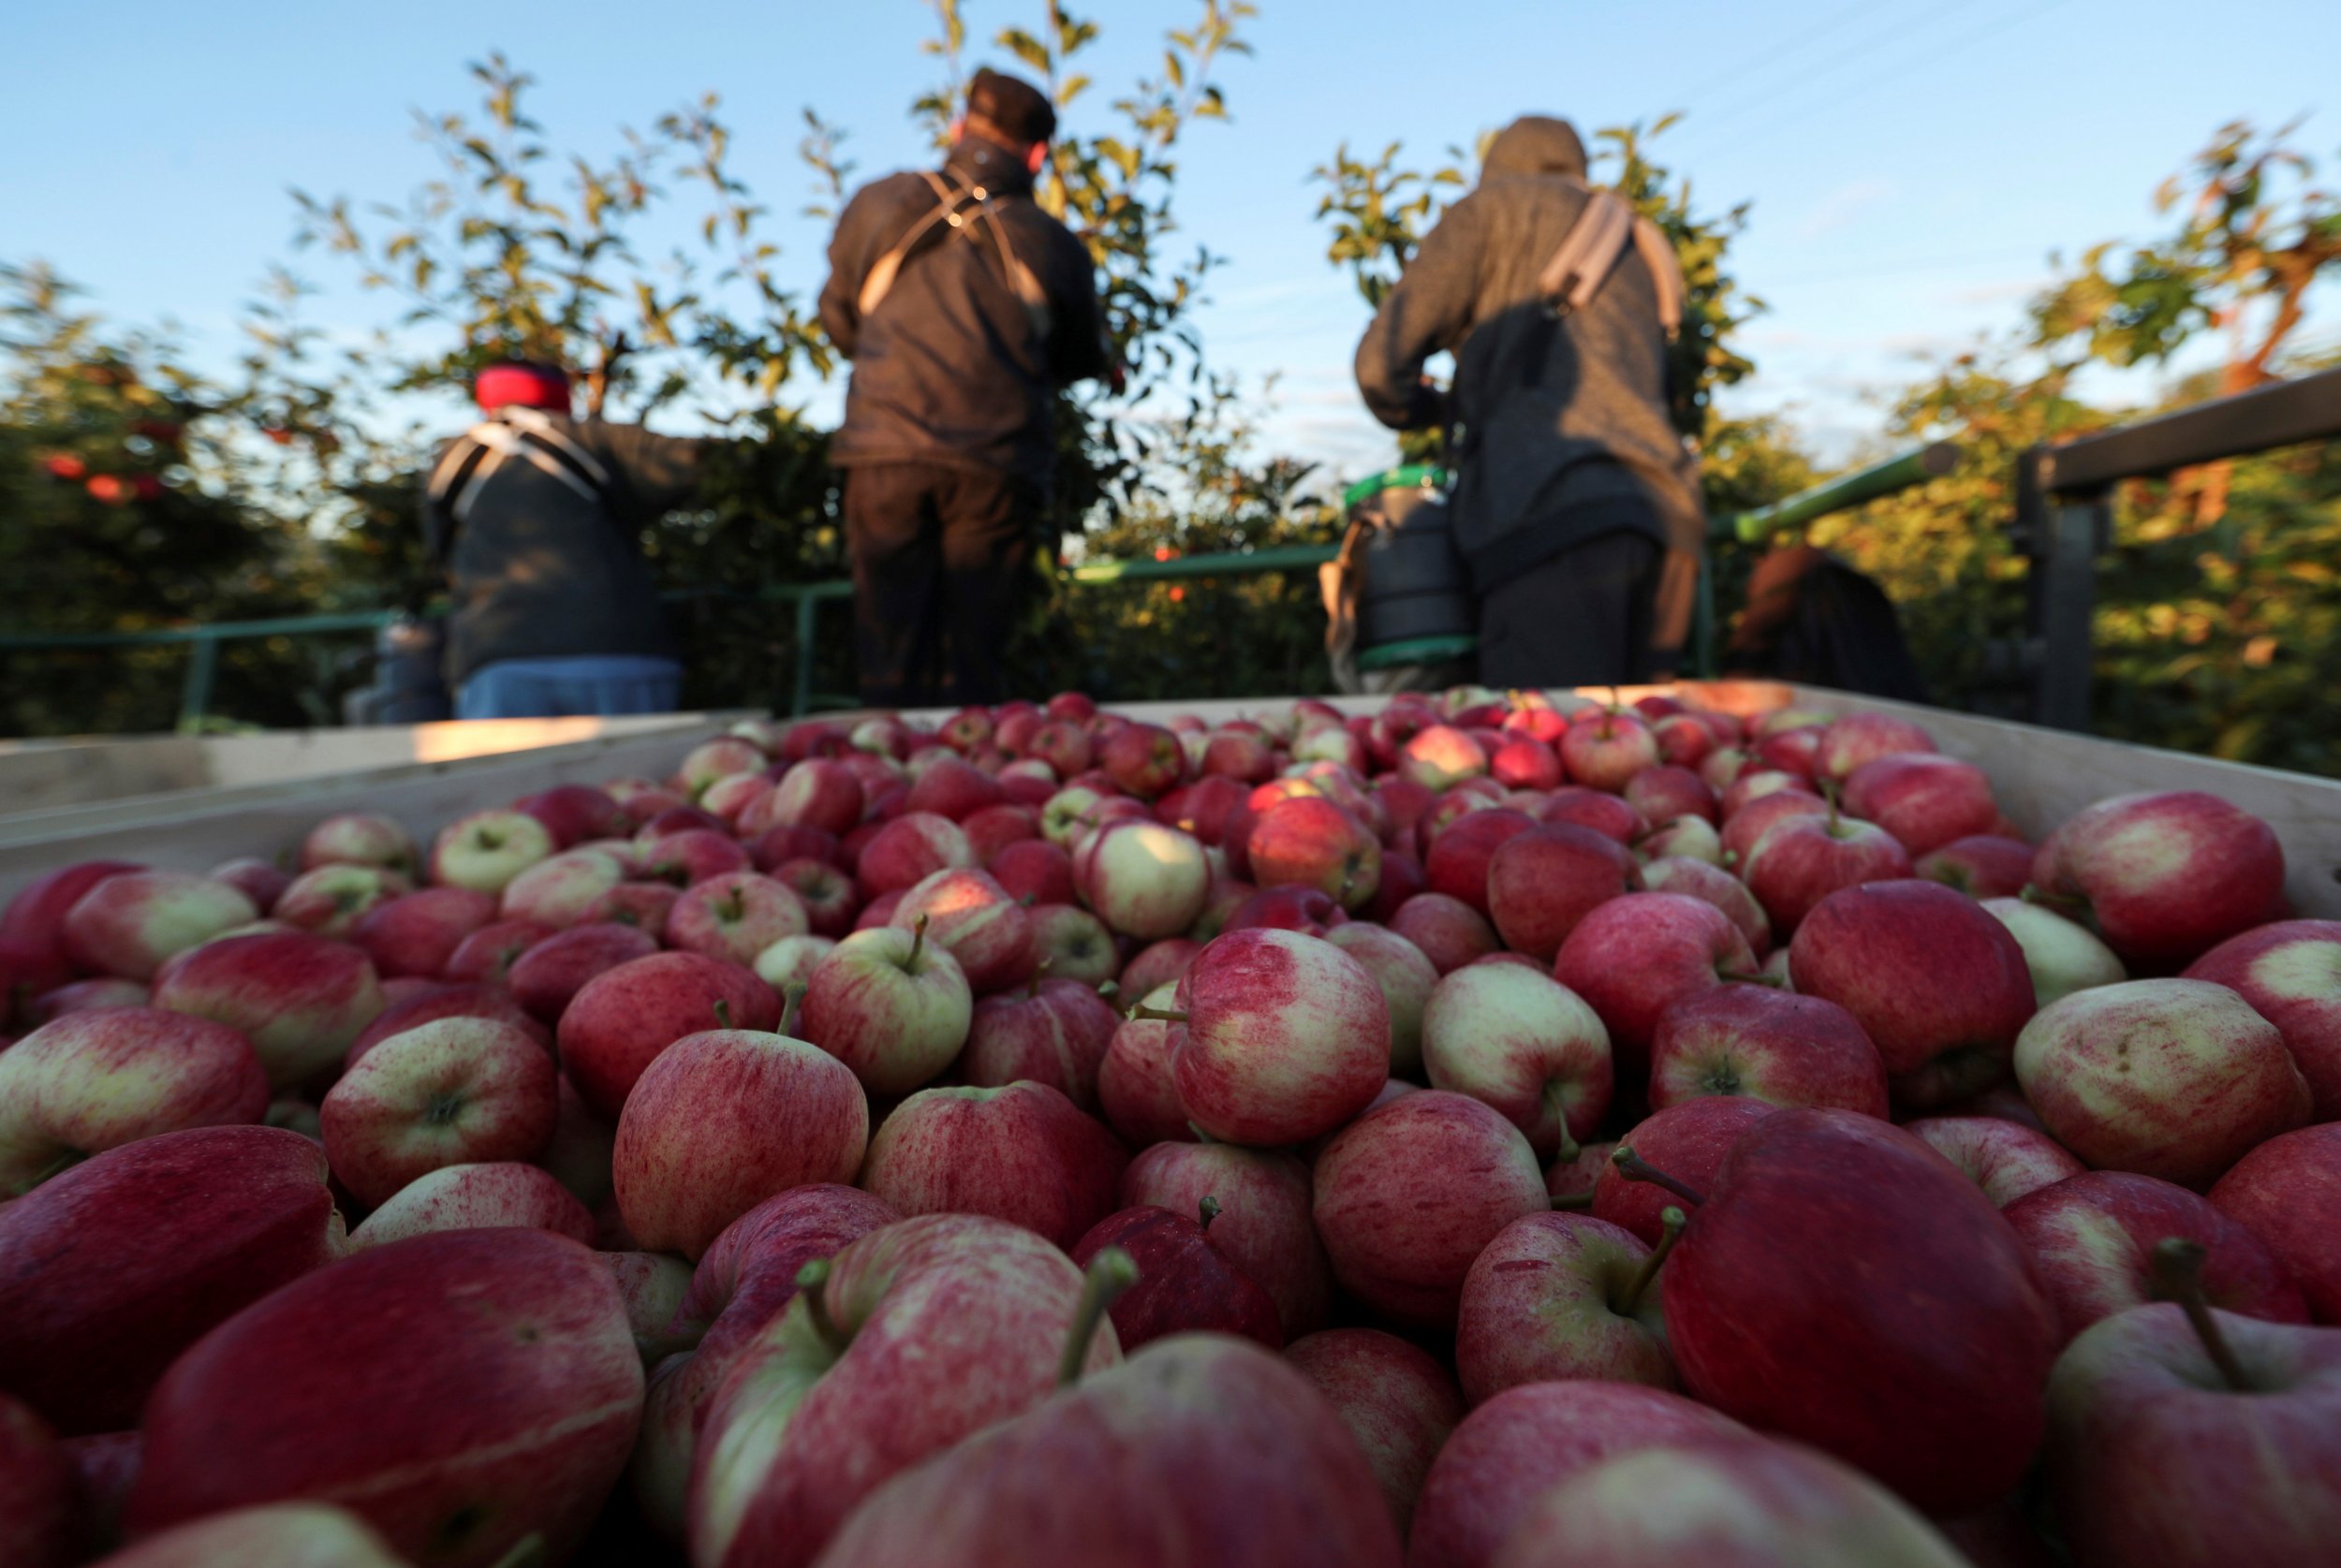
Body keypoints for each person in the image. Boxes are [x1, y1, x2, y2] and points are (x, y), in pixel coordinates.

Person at [1353, 115, 1706, 688]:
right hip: (1668, 525)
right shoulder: (1644, 242)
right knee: (1643, 754)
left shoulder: (1490, 210)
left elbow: (1379, 367)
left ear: (1493, 167)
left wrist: (1432, 412)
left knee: (1551, 753)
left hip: (1545, 517)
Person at [818, 66, 1112, 709]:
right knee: (976, 662)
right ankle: (969, 782)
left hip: (885, 450)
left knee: (890, 654)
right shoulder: (1052, 244)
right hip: (996, 464)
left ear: (958, 129)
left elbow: (840, 323)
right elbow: (1078, 358)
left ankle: (889, 779)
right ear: (1037, 155)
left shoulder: (878, 203)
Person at [421, 360, 707, 719]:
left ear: (487, 401)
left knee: (505, 775)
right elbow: (712, 463)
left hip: (499, 663)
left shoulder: (452, 461)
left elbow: (440, 556)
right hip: (623, 657)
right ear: (563, 396)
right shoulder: (598, 440)